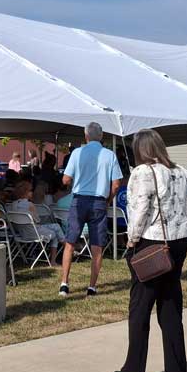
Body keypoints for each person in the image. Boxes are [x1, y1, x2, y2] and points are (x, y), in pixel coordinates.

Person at [115, 128, 187, 372]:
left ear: (140, 150)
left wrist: (131, 241)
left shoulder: (143, 172)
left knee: (140, 308)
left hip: (151, 241)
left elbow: (140, 210)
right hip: (179, 240)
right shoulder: (183, 172)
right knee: (171, 306)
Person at [58, 122, 123, 297]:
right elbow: (116, 184)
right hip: (99, 202)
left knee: (70, 242)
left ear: (85, 136)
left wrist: (75, 181)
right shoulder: (110, 155)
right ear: (101, 136)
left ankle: (64, 283)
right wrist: (108, 200)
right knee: (97, 246)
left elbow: (65, 179)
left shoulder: (77, 153)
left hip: (79, 200)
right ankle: (92, 287)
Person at [11, 180, 65, 266]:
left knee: (56, 226)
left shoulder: (13, 204)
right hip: (33, 233)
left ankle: (68, 248)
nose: (32, 193)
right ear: (26, 192)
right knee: (55, 233)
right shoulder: (30, 205)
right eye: (30, 191)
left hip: (22, 233)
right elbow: (37, 220)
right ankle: (55, 260)